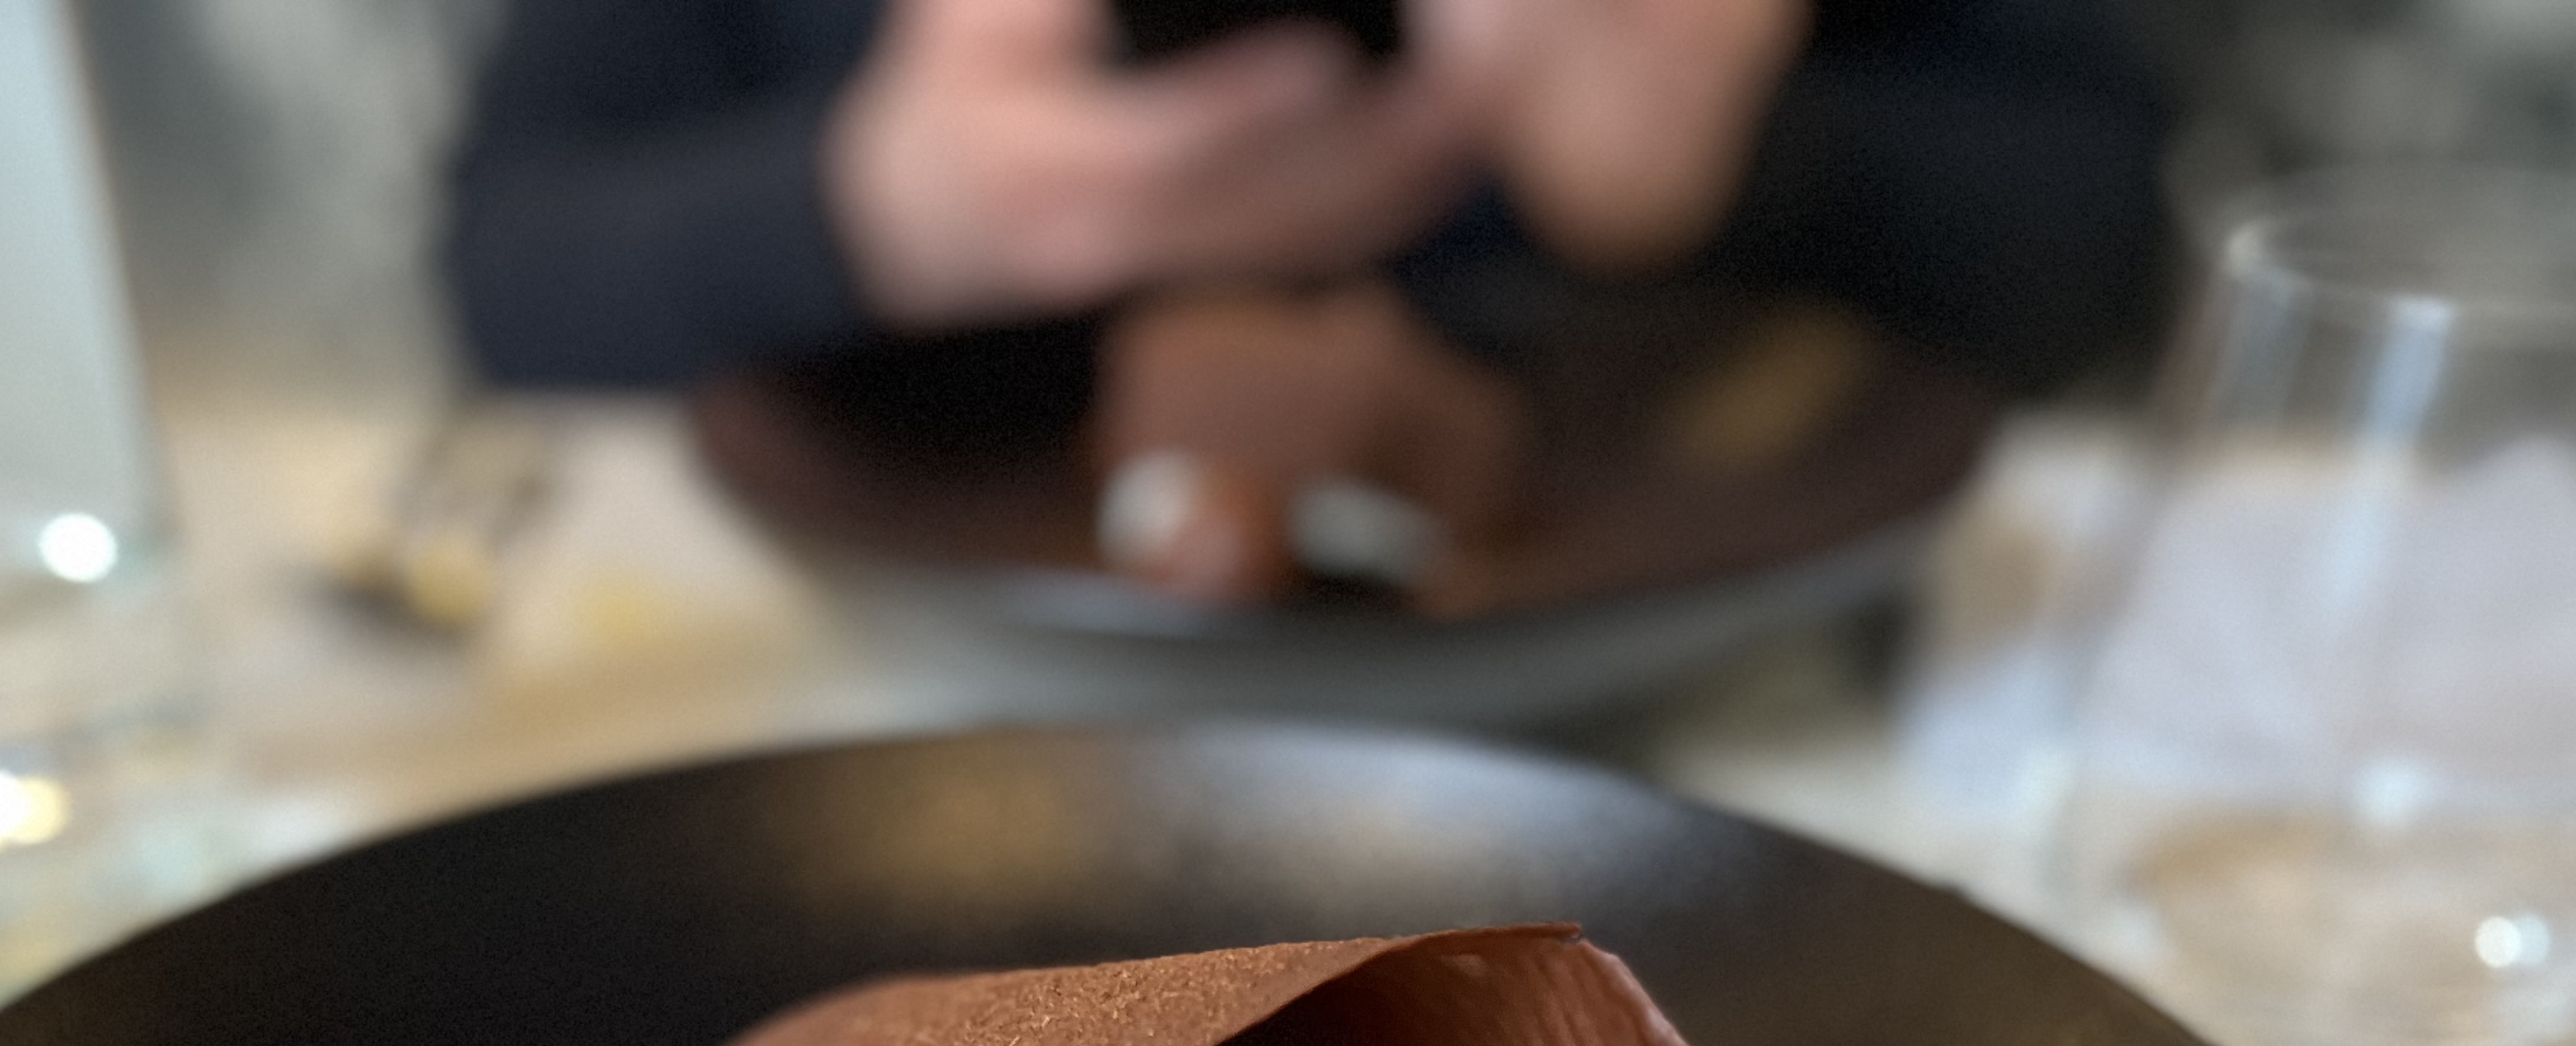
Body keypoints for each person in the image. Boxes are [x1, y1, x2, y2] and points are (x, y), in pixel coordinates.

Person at [447, 0, 2170, 598]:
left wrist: (1747, 157)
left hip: (1695, 659)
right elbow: (504, 267)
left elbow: (2103, 240)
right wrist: (871, 205)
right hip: (925, 664)